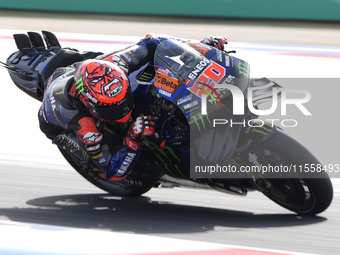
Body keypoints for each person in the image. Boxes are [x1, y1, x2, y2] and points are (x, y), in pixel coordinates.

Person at [38, 34, 228, 181]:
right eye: (112, 109)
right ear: (90, 105)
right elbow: (112, 171)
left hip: (81, 70)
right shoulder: (85, 127)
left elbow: (154, 41)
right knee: (95, 158)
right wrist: (132, 137)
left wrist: (199, 47)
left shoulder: (118, 63)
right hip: (57, 122)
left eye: (124, 100)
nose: (124, 111)